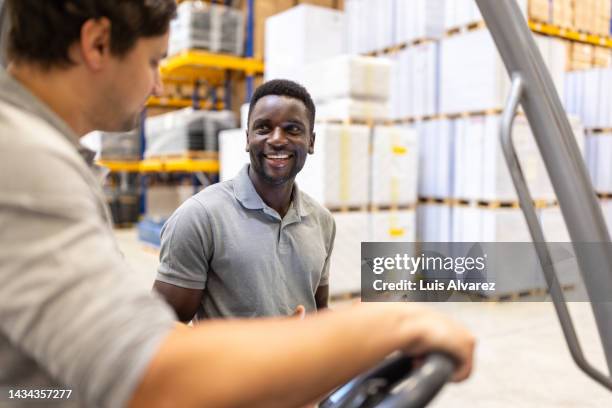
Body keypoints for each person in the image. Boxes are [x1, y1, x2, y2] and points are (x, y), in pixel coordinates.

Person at [0, 1, 475, 407]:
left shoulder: (41, 155)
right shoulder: (24, 161)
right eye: (153, 60)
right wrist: (393, 322)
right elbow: (147, 370)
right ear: (98, 43)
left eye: (293, 130)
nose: (159, 85)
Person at [153, 79, 334, 321]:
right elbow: (163, 328)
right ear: (247, 139)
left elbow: (318, 309)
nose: (277, 139)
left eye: (292, 129)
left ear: (310, 142)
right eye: (264, 128)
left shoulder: (323, 222)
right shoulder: (200, 217)